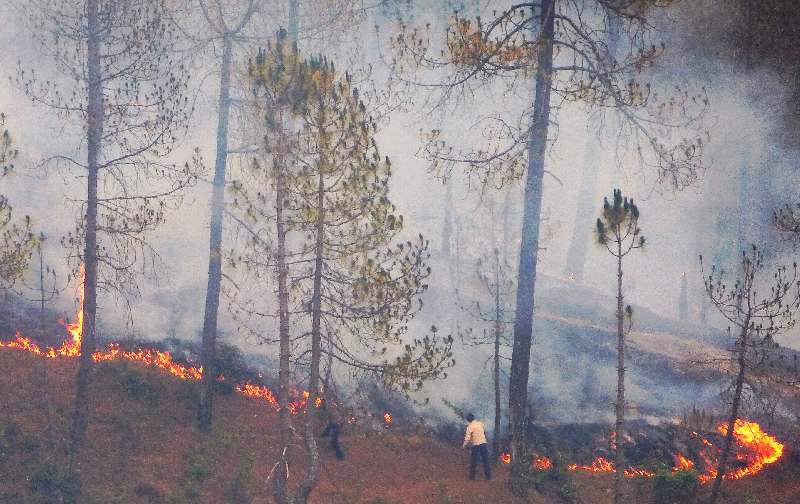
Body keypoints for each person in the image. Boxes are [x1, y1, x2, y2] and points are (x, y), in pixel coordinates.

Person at [462, 413, 491, 480]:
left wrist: (464, 445)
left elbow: (467, 438)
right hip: (484, 444)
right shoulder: (480, 423)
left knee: (473, 461)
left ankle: (472, 477)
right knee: (485, 461)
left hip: (476, 445)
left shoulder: (470, 427)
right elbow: (484, 431)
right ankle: (488, 477)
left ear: (468, 420)